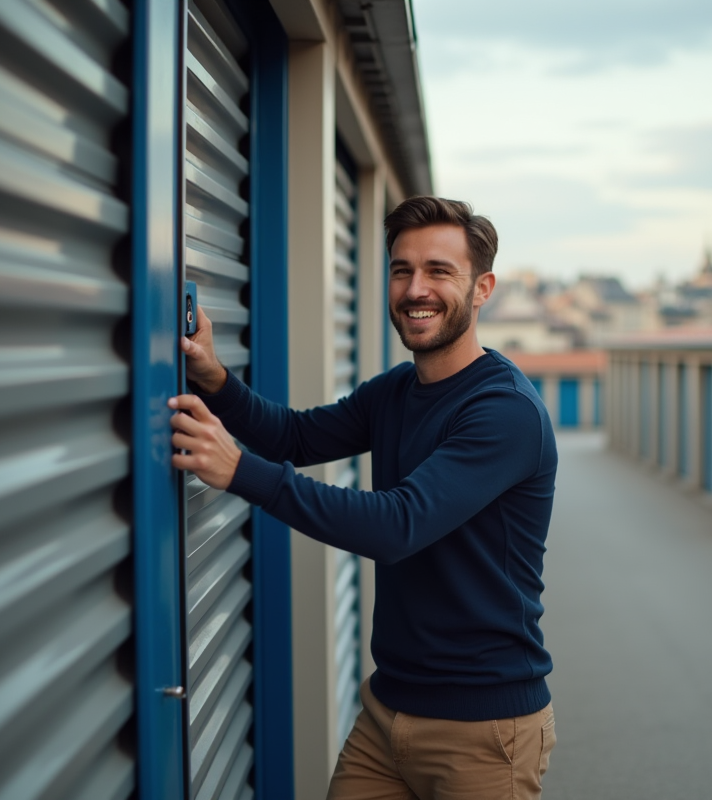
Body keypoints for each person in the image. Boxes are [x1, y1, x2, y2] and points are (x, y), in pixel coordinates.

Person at [168, 196, 558, 799]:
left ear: (482, 289)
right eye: (402, 270)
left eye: (439, 271)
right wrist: (215, 378)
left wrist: (241, 471)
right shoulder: (398, 391)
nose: (415, 288)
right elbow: (294, 435)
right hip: (388, 712)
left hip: (484, 730)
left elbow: (396, 526)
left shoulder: (505, 412)